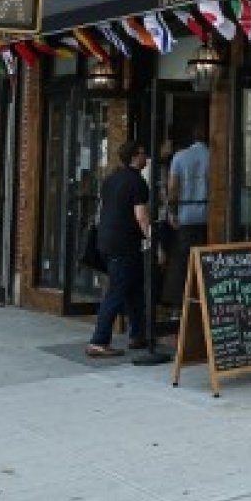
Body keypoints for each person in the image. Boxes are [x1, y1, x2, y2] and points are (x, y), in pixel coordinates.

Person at [88, 141, 152, 358]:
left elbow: (101, 210)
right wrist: (151, 239)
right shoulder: (138, 182)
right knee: (116, 291)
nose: (146, 157)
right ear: (134, 156)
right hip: (124, 244)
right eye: (143, 153)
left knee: (134, 288)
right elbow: (141, 216)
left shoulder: (110, 179)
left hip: (106, 240)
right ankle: (98, 341)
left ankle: (137, 334)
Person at [166, 126, 210, 321]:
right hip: (208, 215)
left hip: (186, 215)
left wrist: (172, 212)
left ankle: (179, 308)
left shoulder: (180, 156)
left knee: (183, 262)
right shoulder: (214, 157)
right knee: (208, 261)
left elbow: (173, 187)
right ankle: (206, 305)